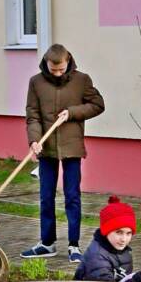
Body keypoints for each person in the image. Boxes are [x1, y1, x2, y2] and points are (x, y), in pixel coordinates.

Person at [21, 43, 105, 265]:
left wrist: (73, 113)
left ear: (67, 61)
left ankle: (74, 245)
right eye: (53, 69)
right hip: (46, 148)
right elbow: (33, 115)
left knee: (72, 197)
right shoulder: (36, 82)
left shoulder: (81, 80)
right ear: (47, 63)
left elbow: (98, 104)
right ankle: (47, 244)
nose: (57, 74)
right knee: (46, 197)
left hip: (72, 148)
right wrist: (34, 140)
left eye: (60, 69)